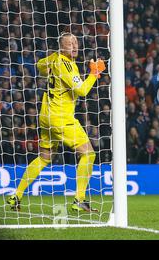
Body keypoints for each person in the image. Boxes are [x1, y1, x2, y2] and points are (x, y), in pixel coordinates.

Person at [6, 32, 106, 212]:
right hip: (61, 117)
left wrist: (50, 66)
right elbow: (82, 91)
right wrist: (94, 73)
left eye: (75, 43)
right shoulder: (67, 65)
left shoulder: (54, 59)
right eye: (69, 44)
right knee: (89, 154)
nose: (74, 46)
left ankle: (16, 195)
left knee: (44, 158)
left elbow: (39, 65)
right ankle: (79, 199)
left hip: (46, 116)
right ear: (62, 47)